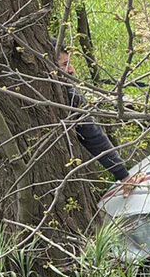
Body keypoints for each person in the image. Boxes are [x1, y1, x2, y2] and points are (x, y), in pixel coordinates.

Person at [54, 42, 129, 181]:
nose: (71, 70)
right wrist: (123, 175)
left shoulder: (68, 91)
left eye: (70, 63)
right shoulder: (70, 95)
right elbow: (92, 135)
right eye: (64, 65)